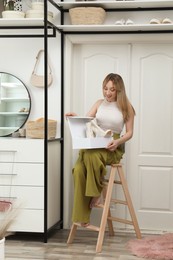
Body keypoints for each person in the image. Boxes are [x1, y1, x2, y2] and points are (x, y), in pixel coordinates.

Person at [65, 73, 135, 227]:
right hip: (94, 142)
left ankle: (96, 192)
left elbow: (129, 133)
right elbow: (86, 121)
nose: (107, 93)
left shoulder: (126, 107)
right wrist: (75, 117)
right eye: (105, 88)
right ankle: (82, 217)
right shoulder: (98, 103)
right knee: (77, 169)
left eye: (112, 90)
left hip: (112, 145)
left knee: (91, 154)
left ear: (119, 91)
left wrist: (117, 142)